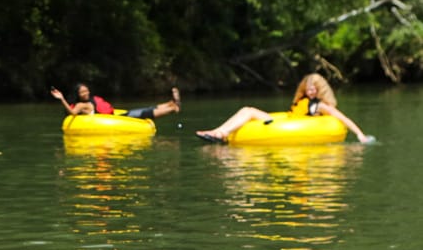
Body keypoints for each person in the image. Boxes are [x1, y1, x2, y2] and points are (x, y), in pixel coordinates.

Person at [196, 73, 375, 144]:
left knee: (249, 112)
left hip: (288, 127)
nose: (310, 91)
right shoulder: (303, 100)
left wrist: (360, 135)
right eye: (308, 88)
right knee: (247, 110)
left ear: (320, 89)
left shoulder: (320, 106)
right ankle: (219, 132)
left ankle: (221, 133)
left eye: (314, 88)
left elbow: (342, 118)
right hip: (285, 121)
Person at [50, 83, 181, 120]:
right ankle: (171, 106)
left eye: (87, 90)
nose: (86, 93)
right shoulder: (81, 105)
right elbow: (72, 113)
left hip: (117, 118)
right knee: (145, 112)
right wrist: (62, 98)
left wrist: (62, 99)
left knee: (145, 111)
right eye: (82, 92)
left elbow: (72, 112)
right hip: (116, 118)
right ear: (77, 94)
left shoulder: (85, 102)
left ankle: (171, 105)